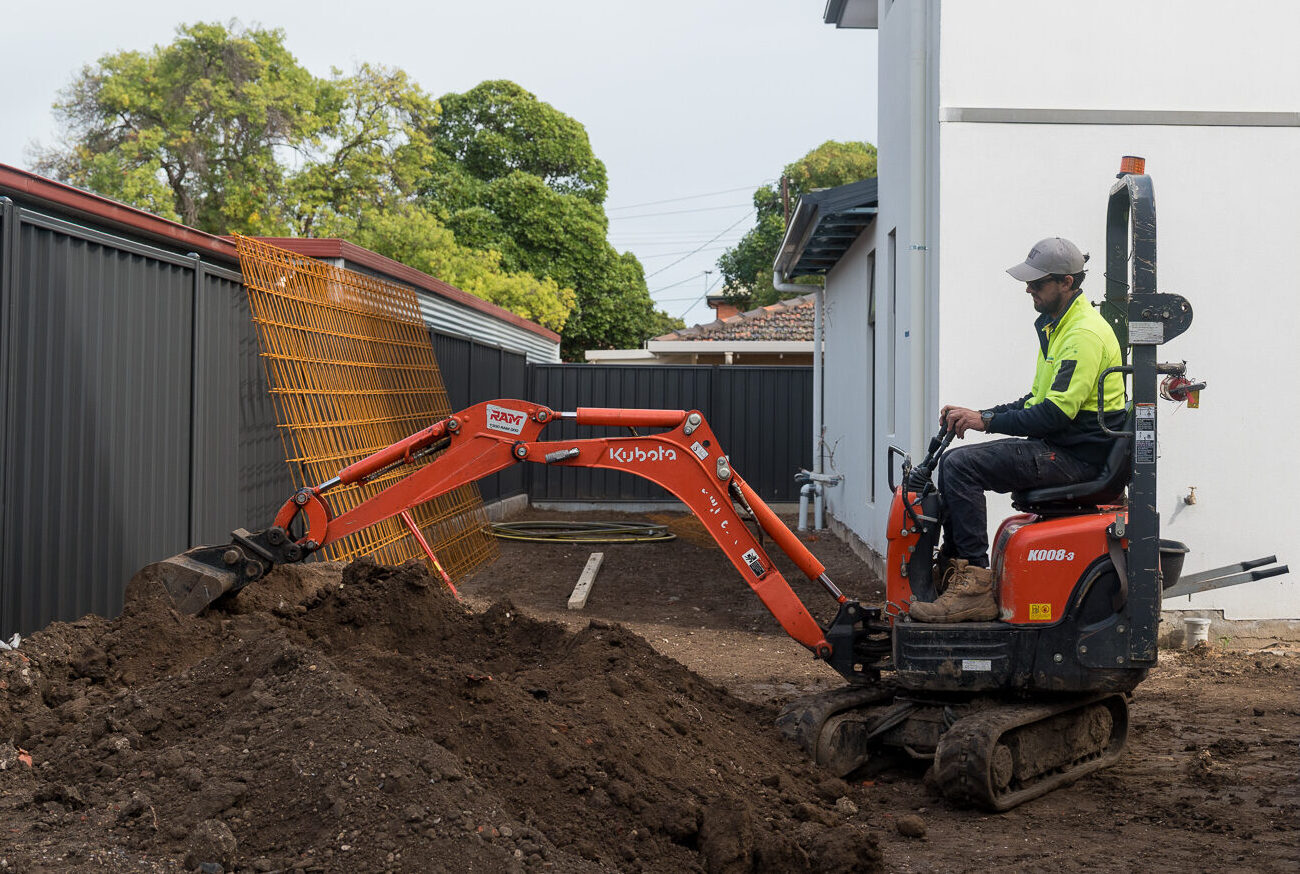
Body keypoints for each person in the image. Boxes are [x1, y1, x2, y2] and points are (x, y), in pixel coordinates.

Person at [910, 237, 1126, 623]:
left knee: (961, 467)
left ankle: (973, 586)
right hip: (1063, 447)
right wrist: (980, 414)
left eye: (1038, 283)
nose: (1029, 289)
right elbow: (1035, 401)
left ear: (1067, 282)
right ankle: (956, 565)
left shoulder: (1083, 335)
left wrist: (985, 422)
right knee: (956, 462)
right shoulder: (1061, 328)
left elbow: (1053, 415)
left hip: (1076, 458)